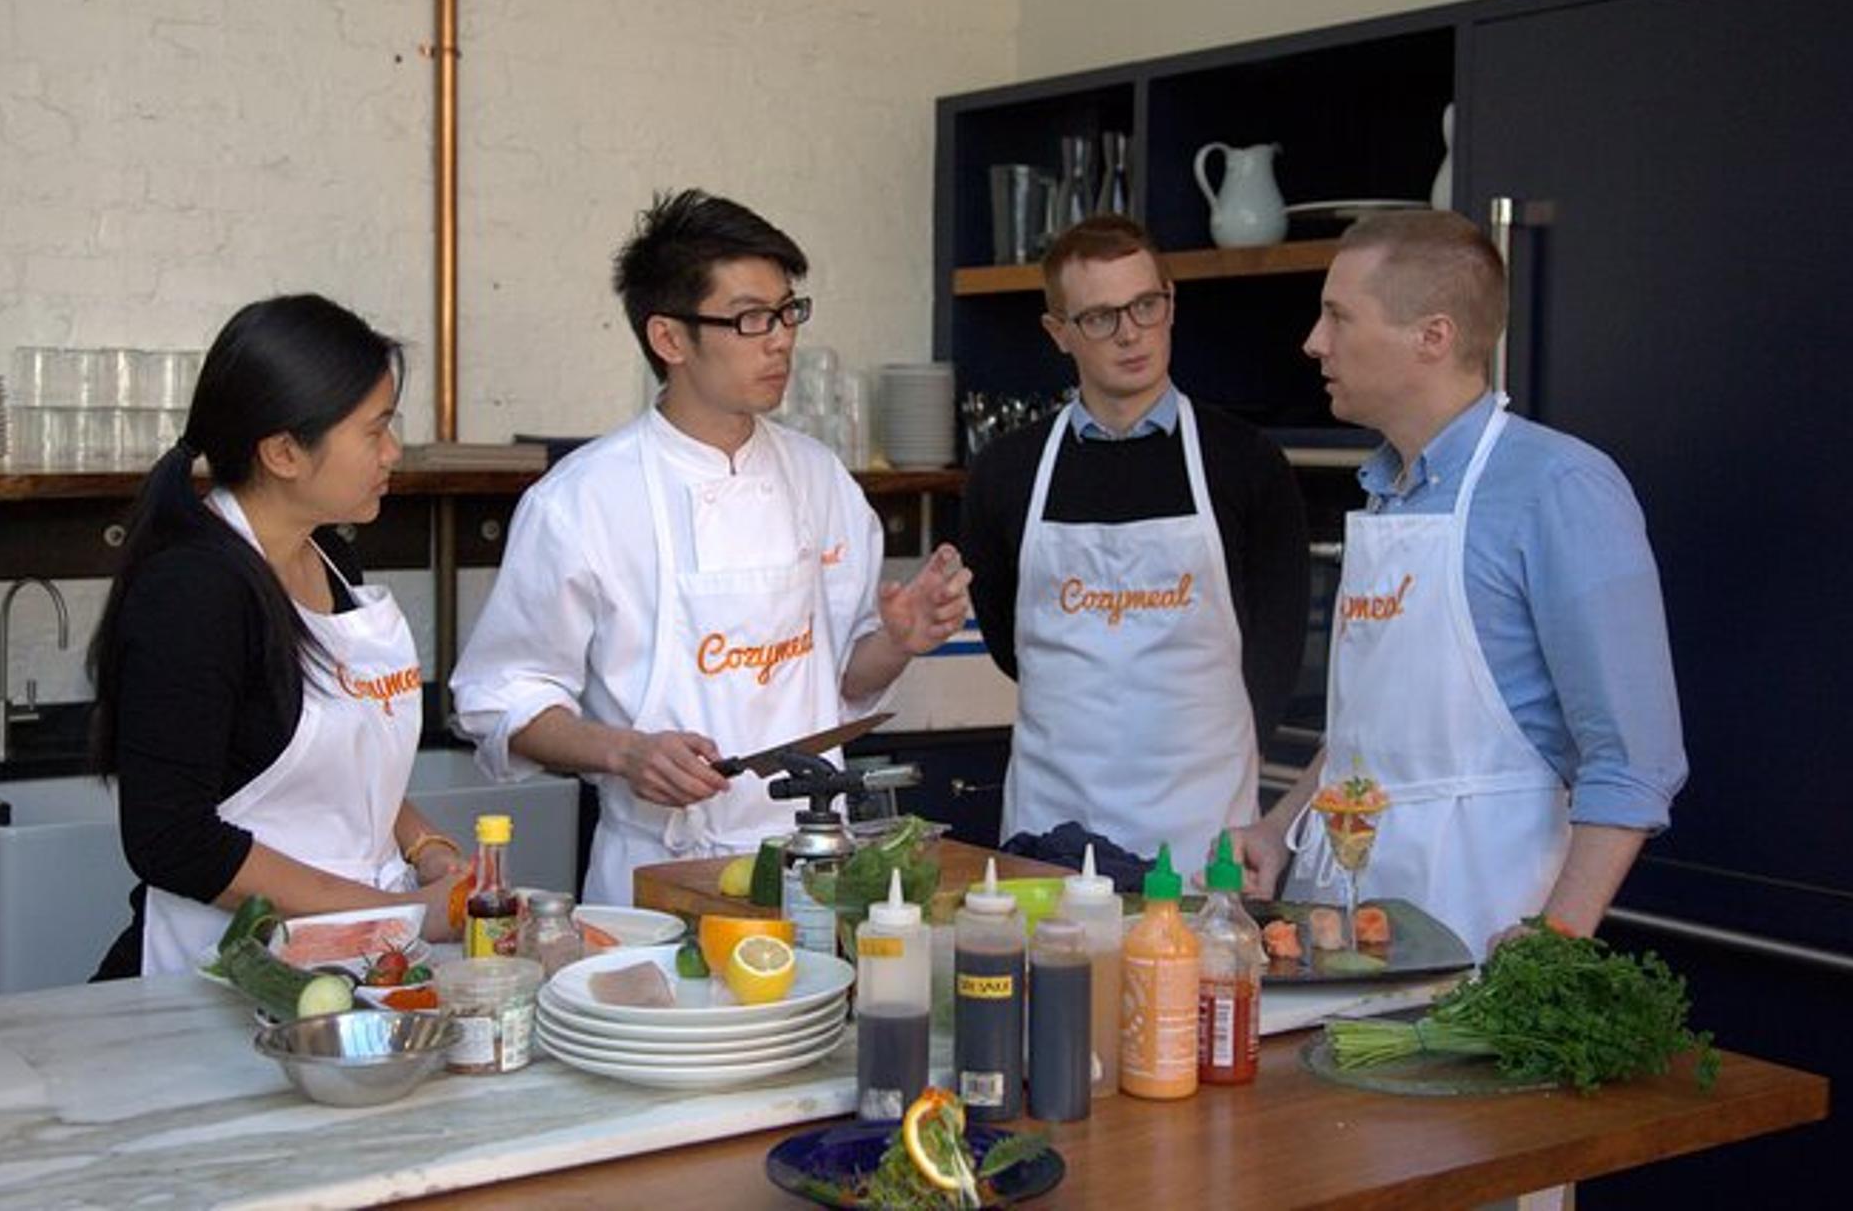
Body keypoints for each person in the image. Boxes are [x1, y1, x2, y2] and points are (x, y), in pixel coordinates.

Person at [450, 189, 971, 905]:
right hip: (657, 875)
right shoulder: (582, 501)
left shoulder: (821, 481)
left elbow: (839, 678)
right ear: (669, 339)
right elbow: (497, 698)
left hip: (819, 865)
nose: (782, 338)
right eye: (752, 318)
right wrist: (626, 752)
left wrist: (901, 640)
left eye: (789, 311)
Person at [1231, 210, 1688, 957]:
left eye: (1339, 317)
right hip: (1343, 927)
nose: (1314, 341)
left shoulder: (1559, 487)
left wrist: (1556, 940)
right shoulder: (1390, 489)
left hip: (1482, 931)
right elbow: (1372, 727)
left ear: (1433, 336)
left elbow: (1636, 760)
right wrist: (1279, 826)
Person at [91, 294, 464, 979]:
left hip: (356, 955)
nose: (393, 449)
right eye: (374, 429)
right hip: (221, 975)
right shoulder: (193, 591)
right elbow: (172, 838)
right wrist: (392, 919)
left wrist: (424, 846)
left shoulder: (330, 559)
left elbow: (342, 765)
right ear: (285, 451)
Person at [961, 214, 1311, 870]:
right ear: (1058, 332)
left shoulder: (1247, 462)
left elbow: (1277, 645)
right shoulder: (1005, 473)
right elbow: (1012, 646)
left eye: (1146, 305)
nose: (1130, 333)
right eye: (1100, 317)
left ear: (1171, 305)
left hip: (1202, 827)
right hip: (1050, 832)